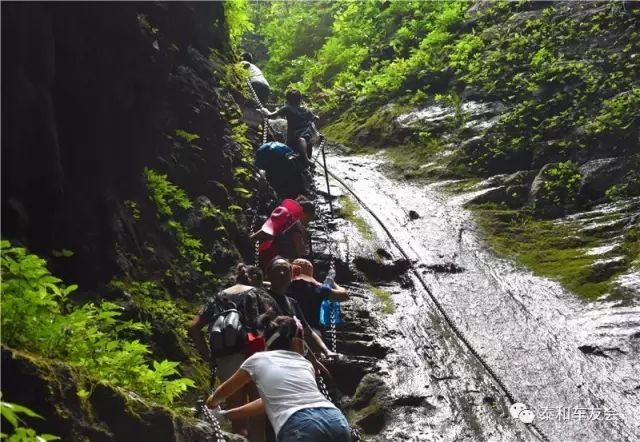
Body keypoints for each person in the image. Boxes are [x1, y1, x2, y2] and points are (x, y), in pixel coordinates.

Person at [205, 316, 351, 442]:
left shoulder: (257, 359)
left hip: (300, 424)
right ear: (296, 342)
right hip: (336, 420)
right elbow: (267, 401)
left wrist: (211, 403)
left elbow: (226, 390)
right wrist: (227, 415)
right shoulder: (305, 364)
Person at [188, 263, 276, 441]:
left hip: (226, 359)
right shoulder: (258, 293)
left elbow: (193, 328)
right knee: (257, 418)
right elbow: (279, 321)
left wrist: (208, 357)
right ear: (258, 279)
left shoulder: (218, 297)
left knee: (237, 417)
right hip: (256, 357)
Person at [259, 89, 319, 166]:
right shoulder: (306, 110)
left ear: (287, 100)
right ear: (300, 99)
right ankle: (306, 161)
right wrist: (316, 117)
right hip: (307, 138)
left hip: (293, 138)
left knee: (289, 156)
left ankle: (305, 159)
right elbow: (314, 117)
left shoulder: (287, 108)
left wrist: (264, 110)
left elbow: (271, 116)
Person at [288, 258, 348, 332]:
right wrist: (332, 283)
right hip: (312, 331)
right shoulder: (317, 289)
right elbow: (344, 295)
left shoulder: (284, 286)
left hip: (288, 330)